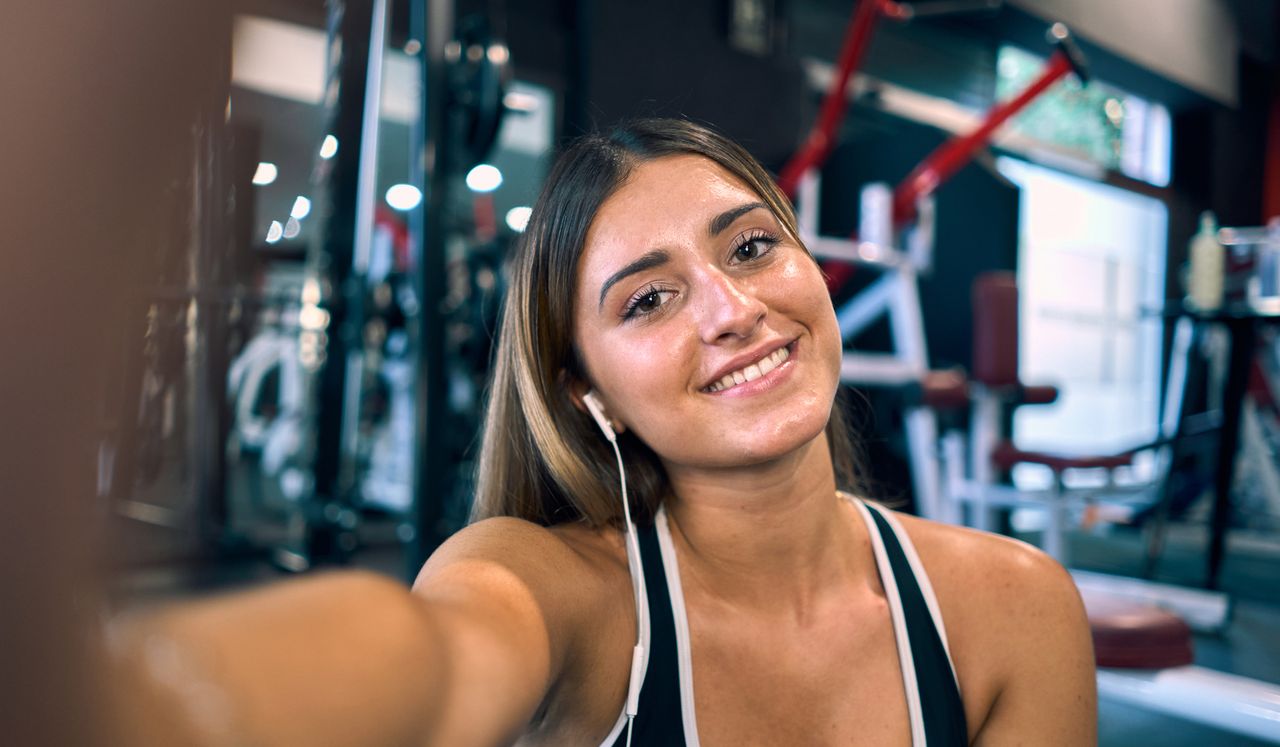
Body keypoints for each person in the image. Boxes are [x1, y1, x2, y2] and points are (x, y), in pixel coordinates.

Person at [411, 118, 1097, 746]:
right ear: (590, 394)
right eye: (649, 299)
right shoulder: (553, 592)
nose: (734, 310)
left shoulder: (1018, 607)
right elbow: (426, 665)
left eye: (751, 246)